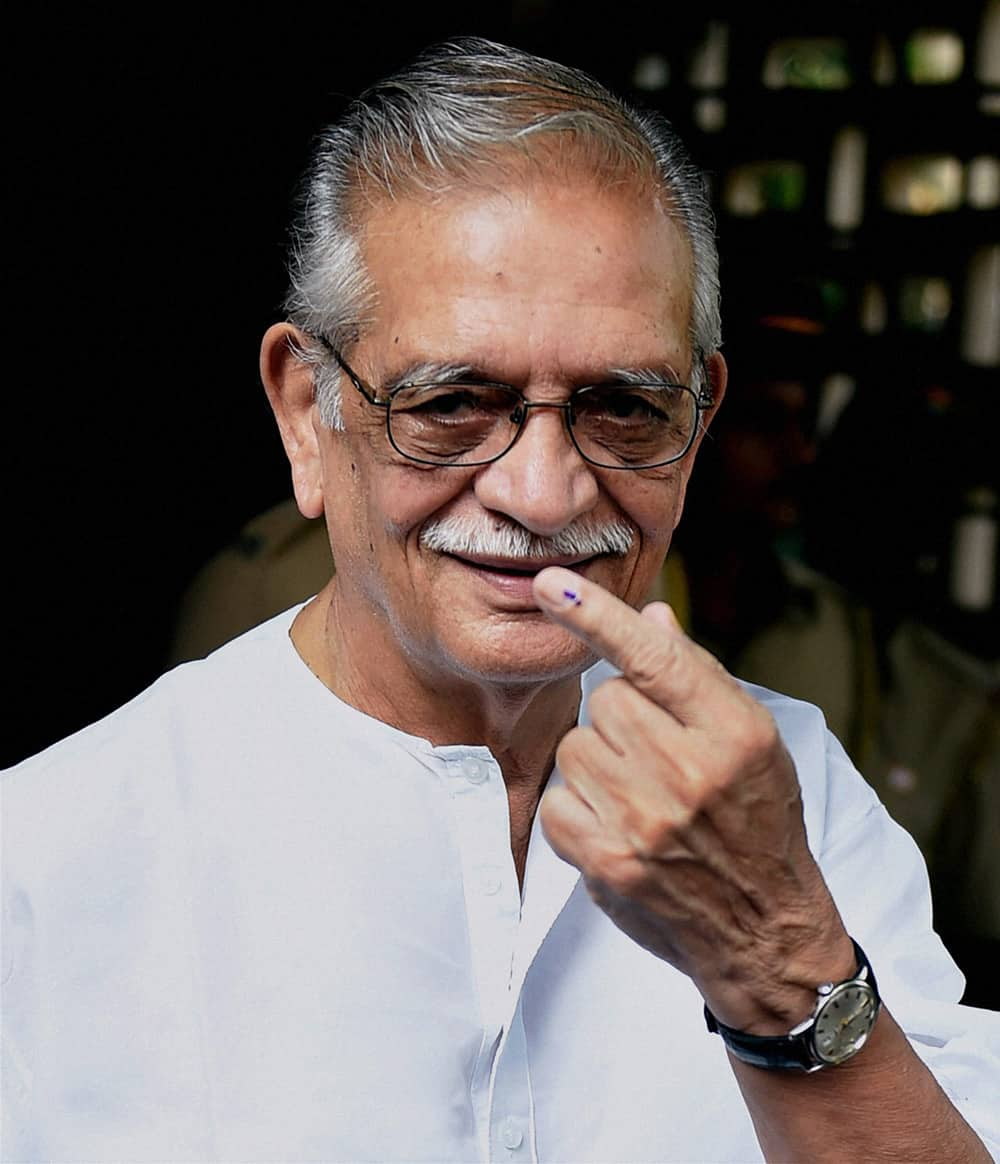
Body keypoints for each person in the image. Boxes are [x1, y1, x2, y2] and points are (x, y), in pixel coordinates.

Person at [2, 37, 997, 1163]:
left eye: (624, 404)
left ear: (699, 420)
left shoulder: (792, 791)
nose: (541, 490)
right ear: (303, 413)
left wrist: (780, 965)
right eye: (452, 402)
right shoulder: (54, 859)